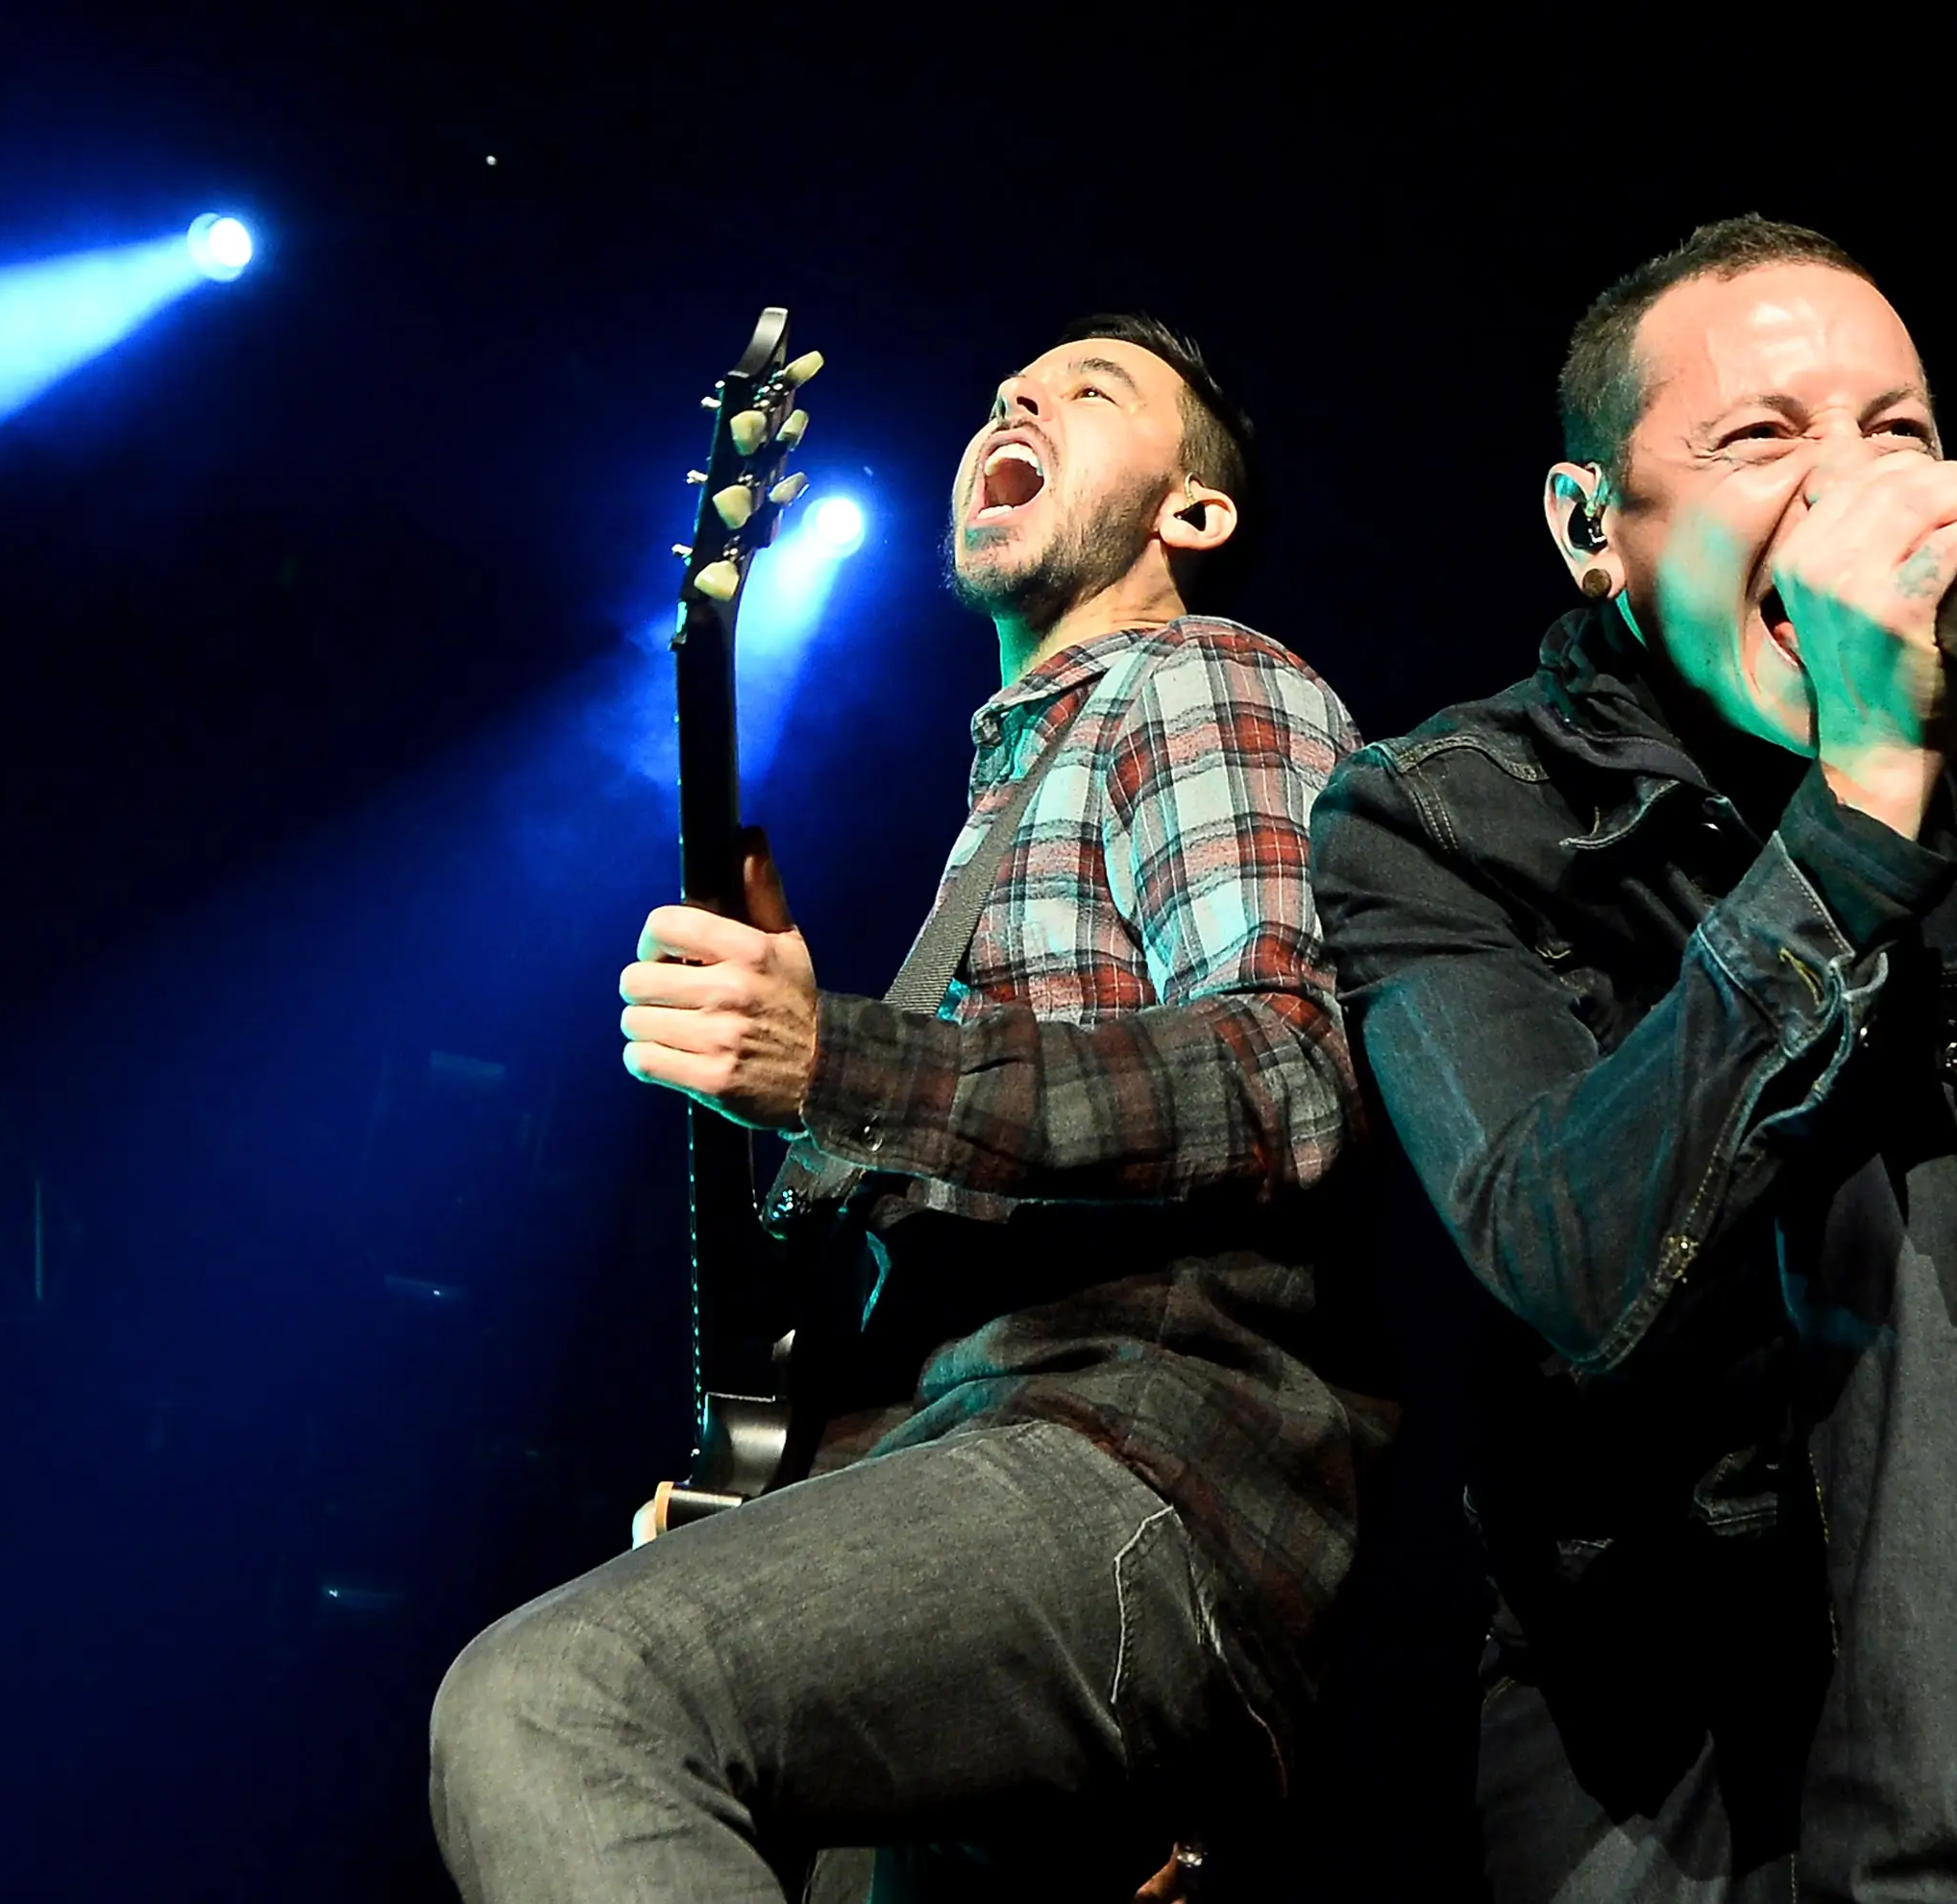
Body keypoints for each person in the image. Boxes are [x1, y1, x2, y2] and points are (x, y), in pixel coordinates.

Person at [1309, 216, 1957, 1901]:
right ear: (1592, 527)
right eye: (1762, 435)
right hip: (1628, 1665)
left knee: (1930, 1138)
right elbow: (1568, 1256)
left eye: (1898, 429)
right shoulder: (1439, 813)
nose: (1851, 484)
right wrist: (1861, 799)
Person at [430, 314, 1386, 1902]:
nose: (1021, 398)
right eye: (1012, 387)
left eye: (1091, 391)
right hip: (968, 1464)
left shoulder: (1204, 682)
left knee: (563, 1699)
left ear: (1194, 510)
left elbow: (1287, 1073)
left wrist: (837, 1062)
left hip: (1127, 1461)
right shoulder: (1004, 815)